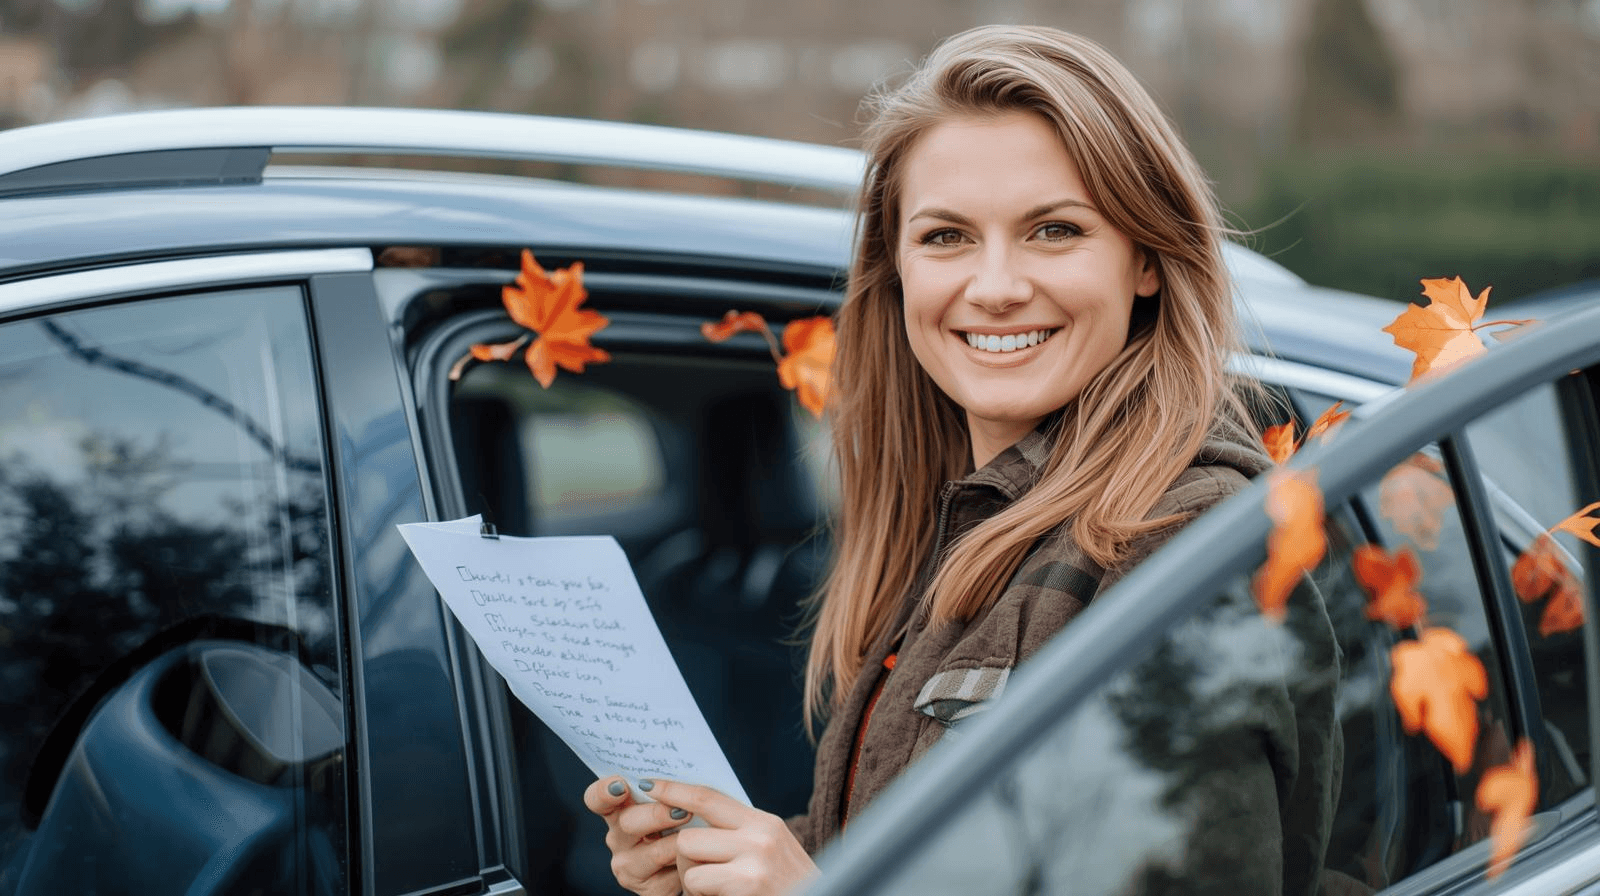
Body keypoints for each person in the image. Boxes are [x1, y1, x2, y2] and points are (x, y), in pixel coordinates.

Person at [584, 23, 1340, 896]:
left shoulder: (1182, 544)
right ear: (897, 269)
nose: (993, 285)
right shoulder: (965, 525)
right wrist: (730, 860)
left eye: (1053, 230)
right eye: (946, 237)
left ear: (1146, 259)